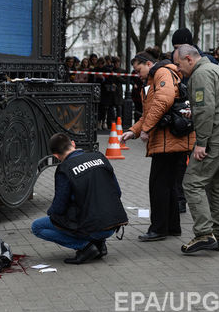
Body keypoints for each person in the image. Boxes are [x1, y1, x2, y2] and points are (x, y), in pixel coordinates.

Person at [120, 47, 195, 242]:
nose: (138, 75)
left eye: (138, 70)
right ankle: (172, 227)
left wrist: (145, 129)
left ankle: (159, 228)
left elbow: (163, 100)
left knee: (159, 185)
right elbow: (149, 112)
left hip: (166, 141)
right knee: (169, 185)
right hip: (172, 141)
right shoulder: (159, 76)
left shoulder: (161, 73)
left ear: (148, 64)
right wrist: (133, 131)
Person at [31, 133, 128, 264]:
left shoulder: (64, 169)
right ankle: (100, 245)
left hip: (92, 228)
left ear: (56, 156)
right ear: (73, 144)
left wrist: (50, 213)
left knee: (37, 227)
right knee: (94, 202)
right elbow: (117, 191)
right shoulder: (100, 157)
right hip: (112, 224)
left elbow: (59, 207)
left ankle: (86, 247)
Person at [173, 44, 219, 254]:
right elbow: (216, 105)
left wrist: (202, 142)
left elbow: (206, 108)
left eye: (179, 64)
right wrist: (195, 113)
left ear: (189, 59)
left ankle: (204, 233)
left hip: (215, 137)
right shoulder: (217, 70)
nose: (178, 70)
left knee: (192, 183)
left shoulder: (200, 74)